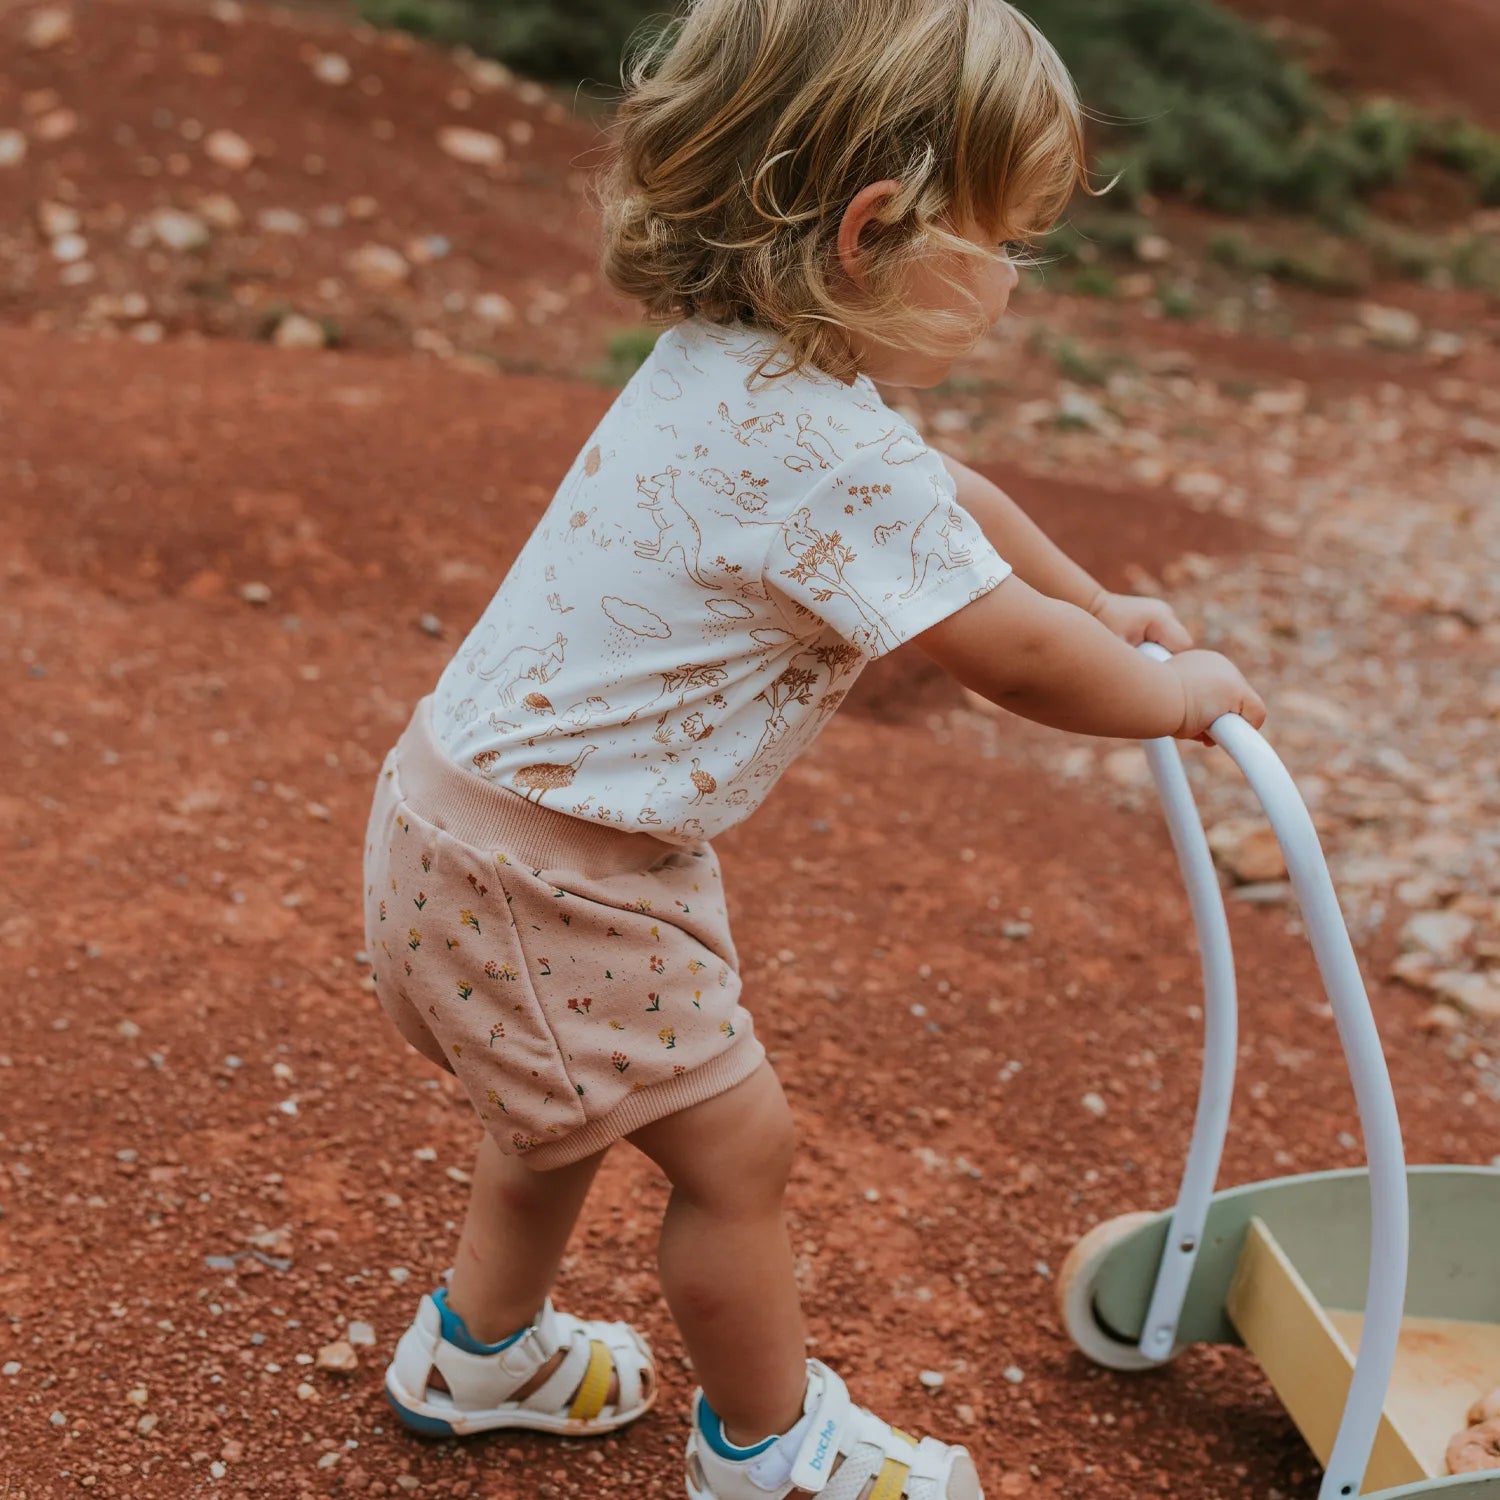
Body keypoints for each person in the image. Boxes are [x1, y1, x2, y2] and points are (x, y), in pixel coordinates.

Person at [361, 1, 1266, 1495]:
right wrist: (1169, 693)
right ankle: (769, 1450)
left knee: (560, 1116)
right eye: (1008, 240)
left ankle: (480, 1350)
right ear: (873, 232)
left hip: (471, 833)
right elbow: (1011, 659)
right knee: (736, 1156)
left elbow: (948, 497)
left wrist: (1098, 598)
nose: (1018, 279)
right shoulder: (826, 459)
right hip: (550, 884)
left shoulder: (743, 368)